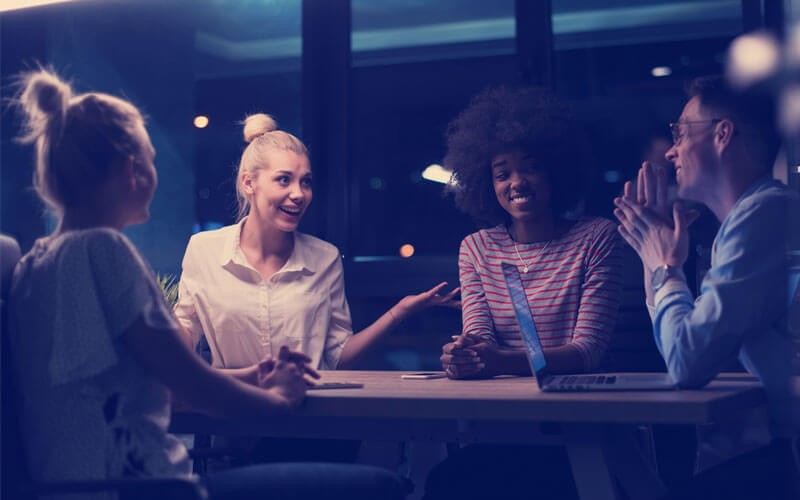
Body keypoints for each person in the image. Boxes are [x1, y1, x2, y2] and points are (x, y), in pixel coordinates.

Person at [7, 68, 408, 500]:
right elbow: (190, 385)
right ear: (131, 171)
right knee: (381, 487)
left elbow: (150, 381)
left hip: (69, 486)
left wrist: (253, 375)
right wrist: (276, 403)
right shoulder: (105, 251)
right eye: (152, 160)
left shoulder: (35, 262)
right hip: (139, 488)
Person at [424, 86, 623, 500]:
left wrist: (497, 361)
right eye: (502, 173)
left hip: (579, 432)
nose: (517, 182)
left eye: (530, 168)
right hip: (503, 430)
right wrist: (463, 354)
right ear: (487, 183)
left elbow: (587, 352)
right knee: (445, 483)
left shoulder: (596, 238)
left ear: (556, 171)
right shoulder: (477, 248)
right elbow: (480, 338)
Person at [613, 75, 799, 500]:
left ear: (722, 133)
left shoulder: (765, 214)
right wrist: (655, 258)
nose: (672, 149)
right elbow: (680, 347)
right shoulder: (748, 221)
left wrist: (665, 265)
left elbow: (686, 362)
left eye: (680, 131)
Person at [175, 113, 458, 372]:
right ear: (249, 183)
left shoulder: (325, 258)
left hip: (310, 415)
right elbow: (184, 336)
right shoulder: (204, 251)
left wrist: (398, 313)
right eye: (284, 180)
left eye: (306, 182)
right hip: (233, 415)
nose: (299, 194)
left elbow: (337, 356)